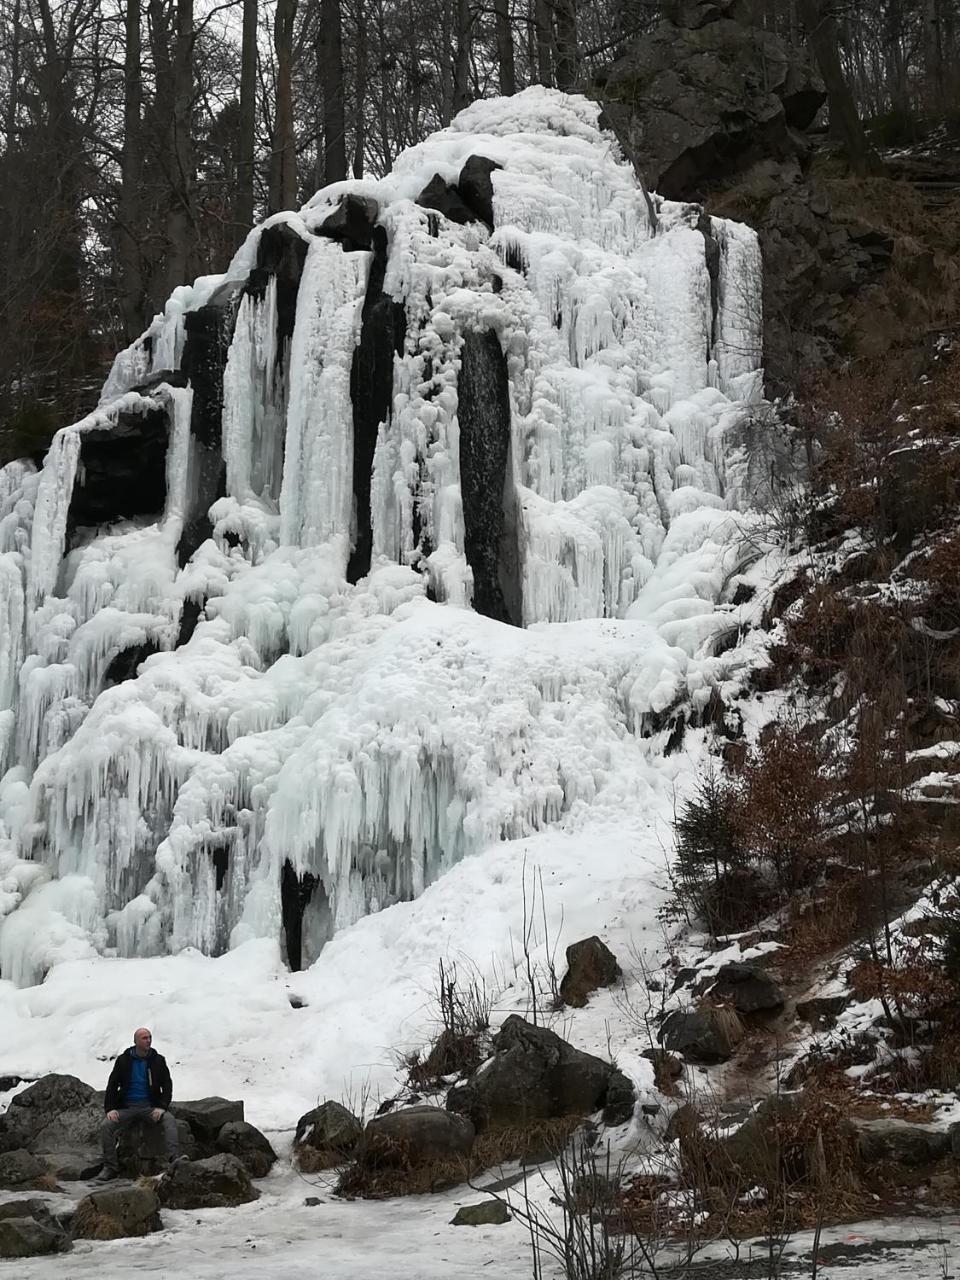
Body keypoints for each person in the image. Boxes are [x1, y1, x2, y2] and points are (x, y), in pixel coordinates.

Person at [95, 1027, 180, 1181]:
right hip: (127, 1107)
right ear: (136, 1042)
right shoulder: (124, 1060)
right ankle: (110, 1167)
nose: (148, 1040)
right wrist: (110, 1108)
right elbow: (112, 1084)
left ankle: (175, 1160)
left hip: (150, 1107)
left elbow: (167, 1085)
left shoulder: (157, 1060)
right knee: (106, 1125)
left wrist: (161, 1107)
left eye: (149, 1037)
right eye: (144, 1038)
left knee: (169, 1120)